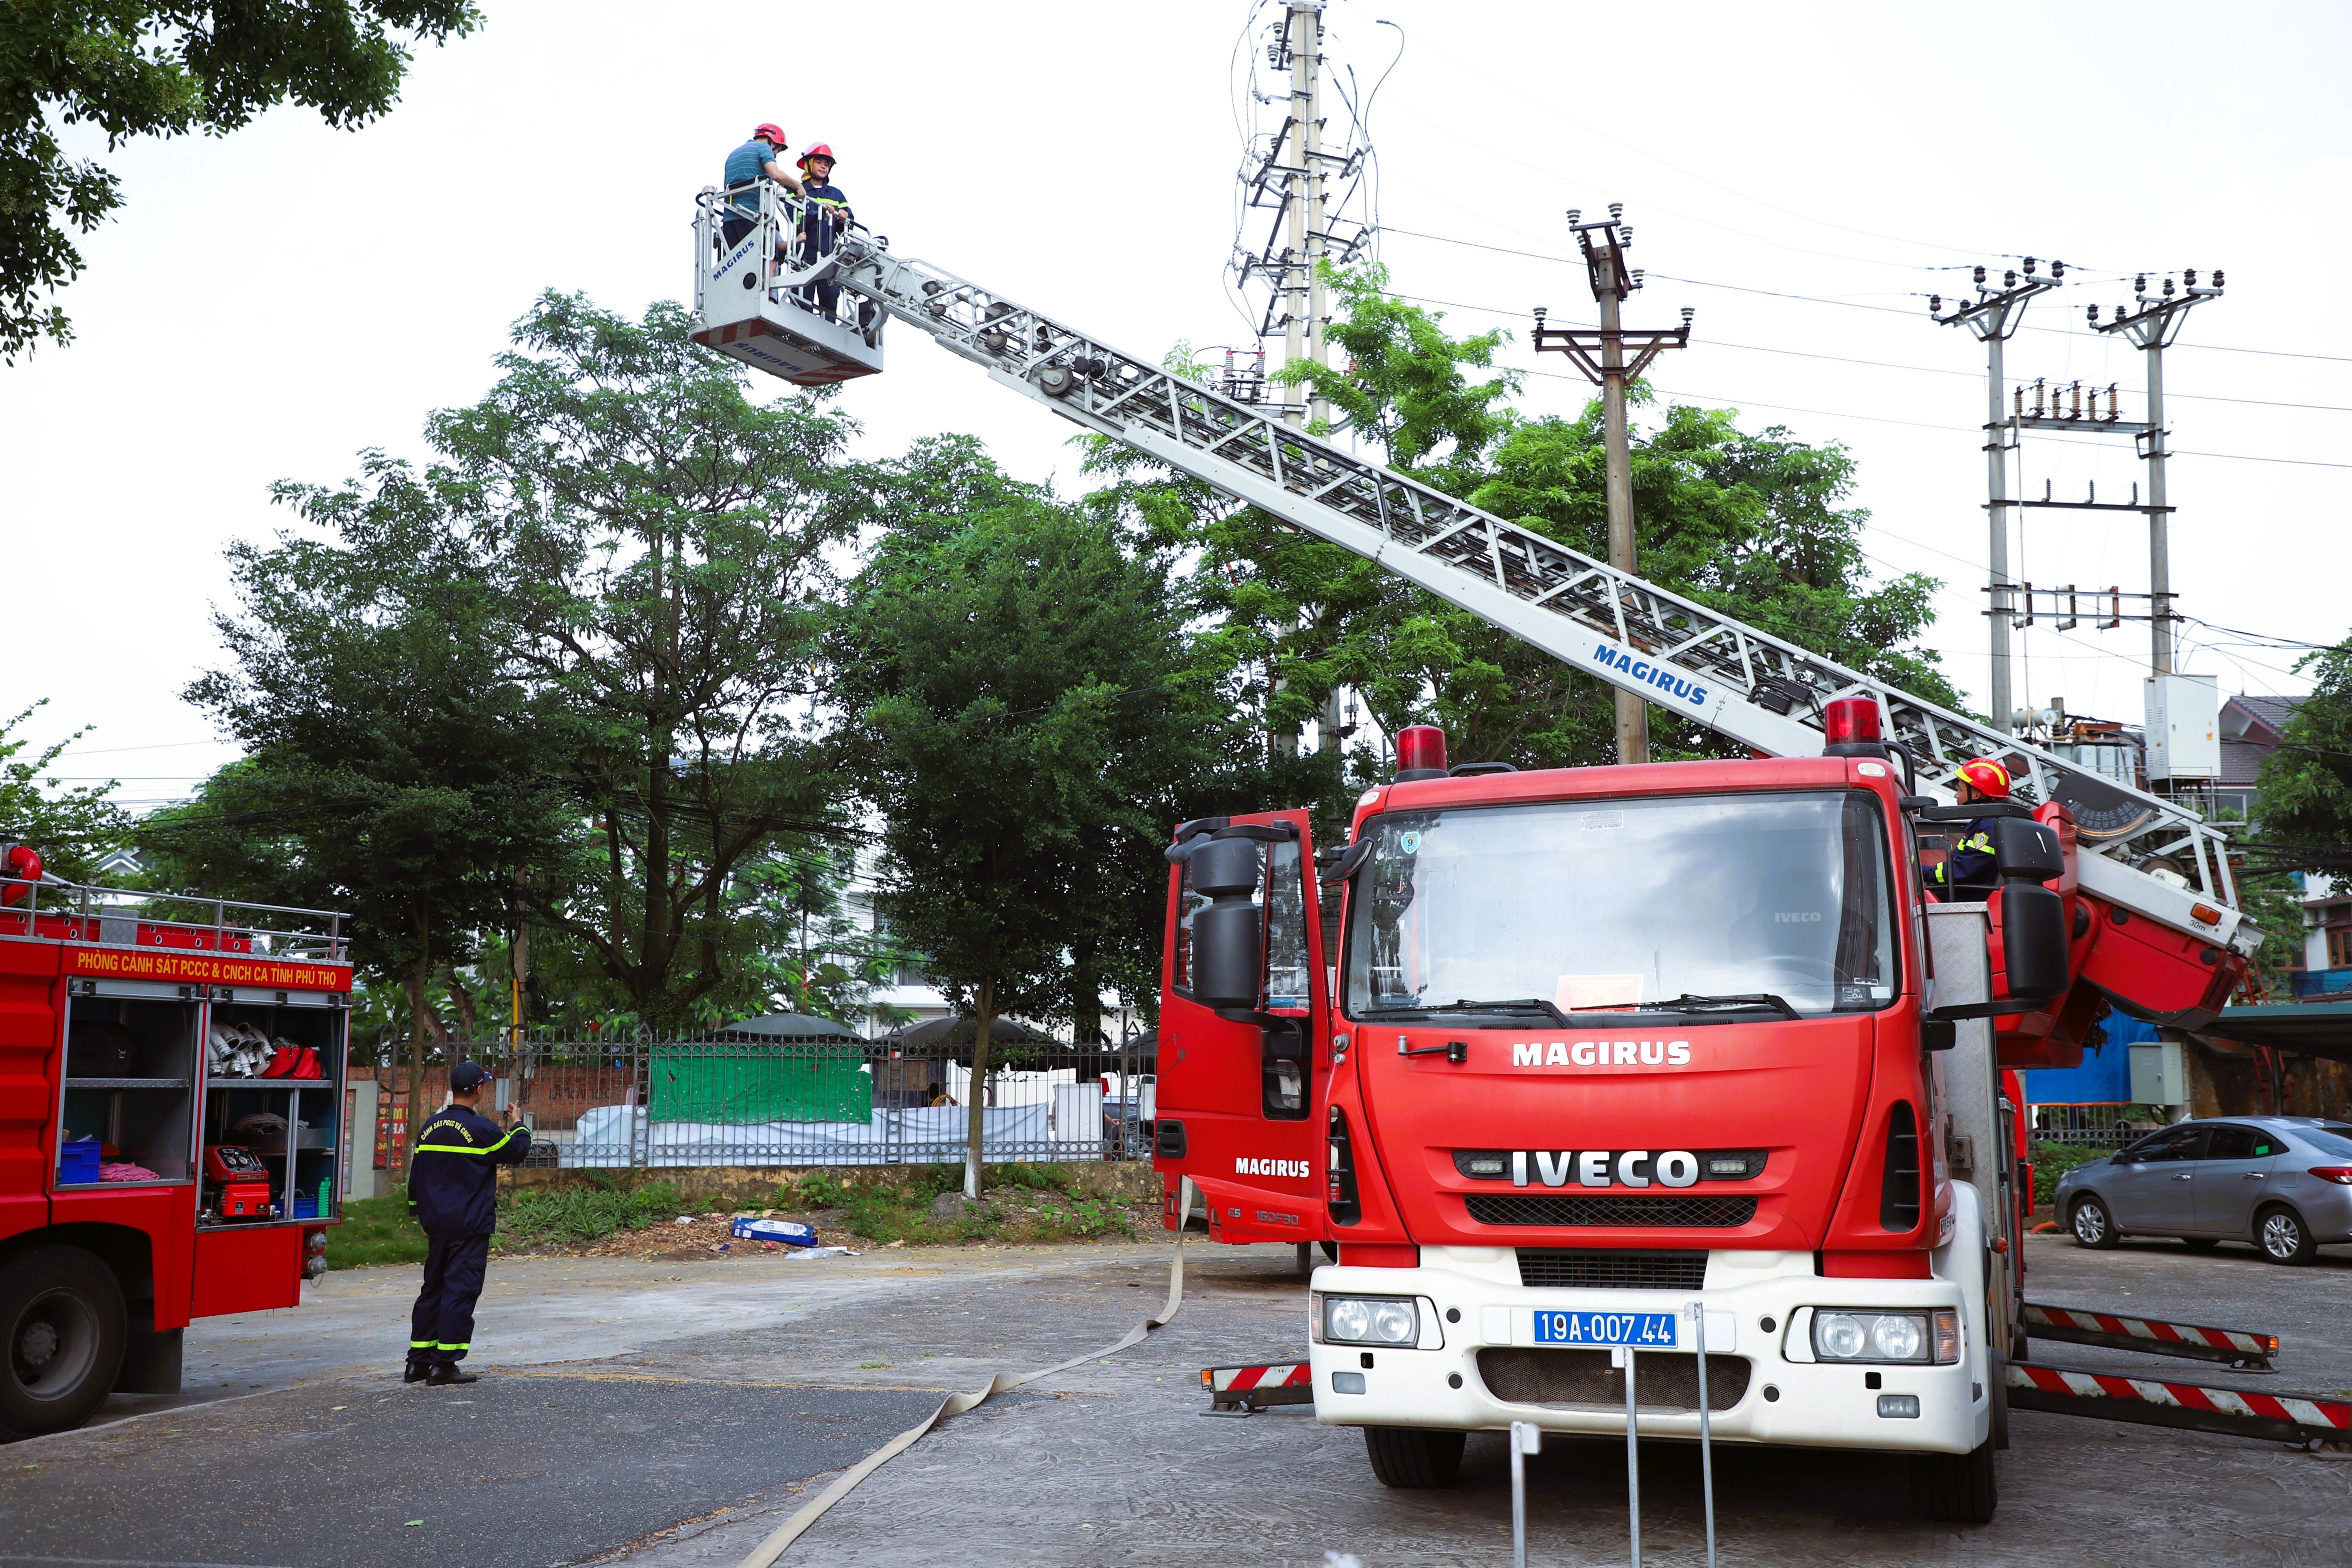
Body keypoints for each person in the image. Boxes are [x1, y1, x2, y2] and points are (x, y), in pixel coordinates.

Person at [404, 1061, 532, 1387]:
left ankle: (417, 1362)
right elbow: (518, 1150)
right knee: (460, 1291)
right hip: (469, 1225)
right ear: (478, 1089)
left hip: (437, 1224)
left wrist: (418, 1212)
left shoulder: (430, 1127)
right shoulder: (481, 1130)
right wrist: (518, 1123)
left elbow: (417, 1174)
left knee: (432, 1289)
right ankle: (444, 1364)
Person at [1926, 757, 2010, 902]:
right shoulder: (1983, 822)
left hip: (1959, 900)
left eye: (1960, 790)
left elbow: (1961, 871)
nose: (1956, 795)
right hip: (1955, 895)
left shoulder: (1987, 828)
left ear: (1977, 795)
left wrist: (1920, 872)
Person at [721, 123, 804, 255]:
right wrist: (798, 186)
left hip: (729, 219)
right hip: (751, 215)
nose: (776, 154)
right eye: (779, 150)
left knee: (735, 266)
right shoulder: (764, 148)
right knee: (766, 261)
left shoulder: (734, 154)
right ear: (773, 140)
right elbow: (775, 174)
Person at [793, 143, 852, 320]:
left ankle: (827, 336)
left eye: (827, 164)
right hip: (805, 253)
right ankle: (799, 333)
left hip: (829, 256)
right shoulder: (797, 190)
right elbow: (794, 216)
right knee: (802, 297)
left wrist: (843, 217)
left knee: (830, 298)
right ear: (809, 164)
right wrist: (819, 212)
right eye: (819, 162)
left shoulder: (837, 195)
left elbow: (850, 224)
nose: (823, 167)